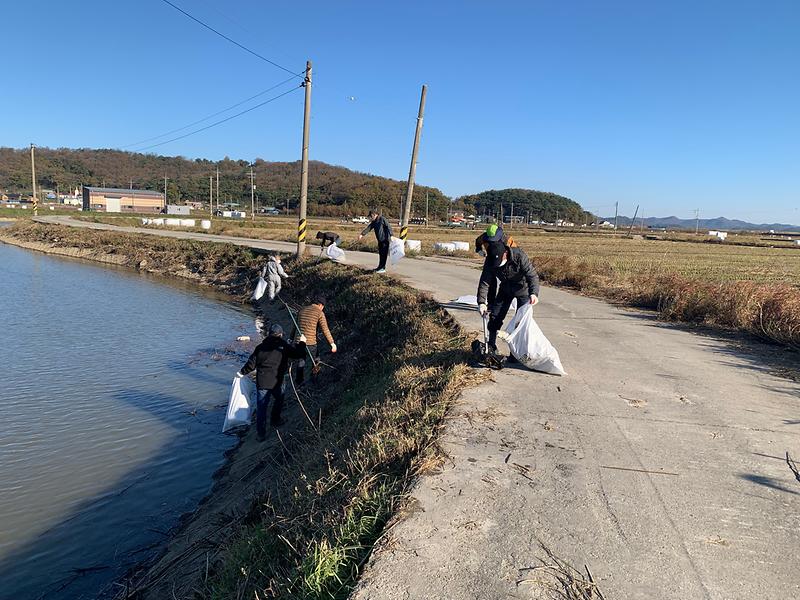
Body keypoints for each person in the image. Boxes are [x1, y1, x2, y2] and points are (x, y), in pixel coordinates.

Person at [237, 323, 307, 439]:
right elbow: (298, 354)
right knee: (279, 400)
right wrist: (303, 342)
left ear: (269, 334)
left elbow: (251, 364)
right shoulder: (283, 346)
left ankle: (261, 434)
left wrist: (241, 373)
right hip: (277, 381)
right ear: (280, 335)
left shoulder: (260, 347)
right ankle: (275, 420)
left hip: (263, 382)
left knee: (261, 409)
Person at [476, 240, 540, 353]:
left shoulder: (519, 255)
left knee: (519, 321)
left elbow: (532, 276)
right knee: (495, 316)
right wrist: (481, 302)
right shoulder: (490, 260)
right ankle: (491, 345)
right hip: (505, 288)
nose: (497, 265)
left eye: (499, 262)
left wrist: (533, 293)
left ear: (505, 253)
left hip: (522, 289)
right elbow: (485, 282)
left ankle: (515, 353)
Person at [294, 294, 337, 385]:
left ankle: (299, 381)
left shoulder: (302, 310)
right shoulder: (319, 313)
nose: (323, 309)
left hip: (298, 341)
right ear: (321, 305)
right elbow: (325, 329)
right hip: (310, 343)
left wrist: (290, 339)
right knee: (316, 360)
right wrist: (332, 343)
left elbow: (295, 326)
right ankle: (314, 379)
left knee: (301, 361)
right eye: (323, 307)